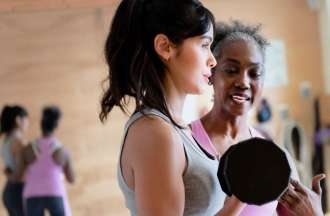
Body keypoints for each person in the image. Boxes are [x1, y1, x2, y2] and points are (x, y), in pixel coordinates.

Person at [99, 0, 247, 215]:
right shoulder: (155, 132)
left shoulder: (175, 128)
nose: (212, 60)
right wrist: (238, 201)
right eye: (205, 45)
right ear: (165, 47)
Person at [190, 20, 325, 216]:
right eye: (231, 70)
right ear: (211, 73)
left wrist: (314, 213)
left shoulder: (276, 159)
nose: (243, 82)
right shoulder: (182, 143)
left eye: (254, 73)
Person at [22, 106, 75, 216]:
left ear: (41, 125)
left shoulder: (28, 148)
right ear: (56, 126)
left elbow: (21, 173)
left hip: (32, 194)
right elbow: (71, 179)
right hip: (55, 192)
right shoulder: (62, 151)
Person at [0, 105, 29, 215]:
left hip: (9, 191)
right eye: (26, 120)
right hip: (19, 191)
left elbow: (9, 169)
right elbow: (20, 175)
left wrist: (7, 173)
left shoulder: (6, 140)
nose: (27, 124)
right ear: (18, 120)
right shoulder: (18, 141)